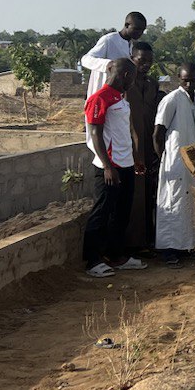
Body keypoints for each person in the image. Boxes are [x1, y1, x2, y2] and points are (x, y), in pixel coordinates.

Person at [82, 58, 147, 276]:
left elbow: (122, 132)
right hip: (110, 167)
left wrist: (135, 158)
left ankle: (116, 255)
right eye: (133, 78)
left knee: (121, 214)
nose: (133, 82)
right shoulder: (99, 99)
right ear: (127, 76)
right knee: (101, 213)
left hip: (126, 164)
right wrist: (108, 167)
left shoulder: (120, 98)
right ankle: (92, 260)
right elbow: (95, 134)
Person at [153, 63, 195, 266]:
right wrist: (163, 159)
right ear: (178, 78)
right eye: (185, 79)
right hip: (174, 160)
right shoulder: (171, 99)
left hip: (192, 160)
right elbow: (158, 132)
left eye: (193, 79)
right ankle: (168, 249)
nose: (189, 83)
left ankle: (185, 245)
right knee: (172, 202)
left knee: (189, 203)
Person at [124, 41, 161, 254]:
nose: (145, 65)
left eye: (149, 61)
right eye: (141, 60)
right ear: (132, 59)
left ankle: (147, 240)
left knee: (148, 195)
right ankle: (132, 245)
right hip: (130, 148)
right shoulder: (126, 85)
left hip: (149, 148)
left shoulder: (153, 84)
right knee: (134, 197)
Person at [81, 12, 147, 99]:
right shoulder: (109, 40)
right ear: (126, 25)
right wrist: (109, 65)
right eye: (137, 29)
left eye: (142, 30)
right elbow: (85, 59)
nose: (140, 33)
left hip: (119, 98)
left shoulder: (132, 46)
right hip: (101, 96)